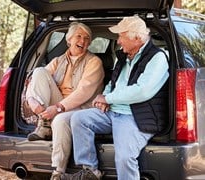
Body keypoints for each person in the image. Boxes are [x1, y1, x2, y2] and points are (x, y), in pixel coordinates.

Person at [63, 16, 169, 180]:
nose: (118, 41)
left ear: (136, 38)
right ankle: (90, 171)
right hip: (113, 112)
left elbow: (142, 91)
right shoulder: (124, 57)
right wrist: (104, 97)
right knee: (79, 118)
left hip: (135, 116)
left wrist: (109, 99)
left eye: (121, 36)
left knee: (124, 157)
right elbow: (113, 83)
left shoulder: (158, 58)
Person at [24, 22, 105, 178]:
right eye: (79, 36)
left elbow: (84, 92)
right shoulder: (58, 60)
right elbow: (37, 81)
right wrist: (31, 100)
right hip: (59, 103)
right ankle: (45, 125)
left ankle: (58, 171)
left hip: (83, 107)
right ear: (69, 40)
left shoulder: (94, 62)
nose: (83, 41)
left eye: (87, 38)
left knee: (60, 119)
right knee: (39, 71)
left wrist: (58, 108)